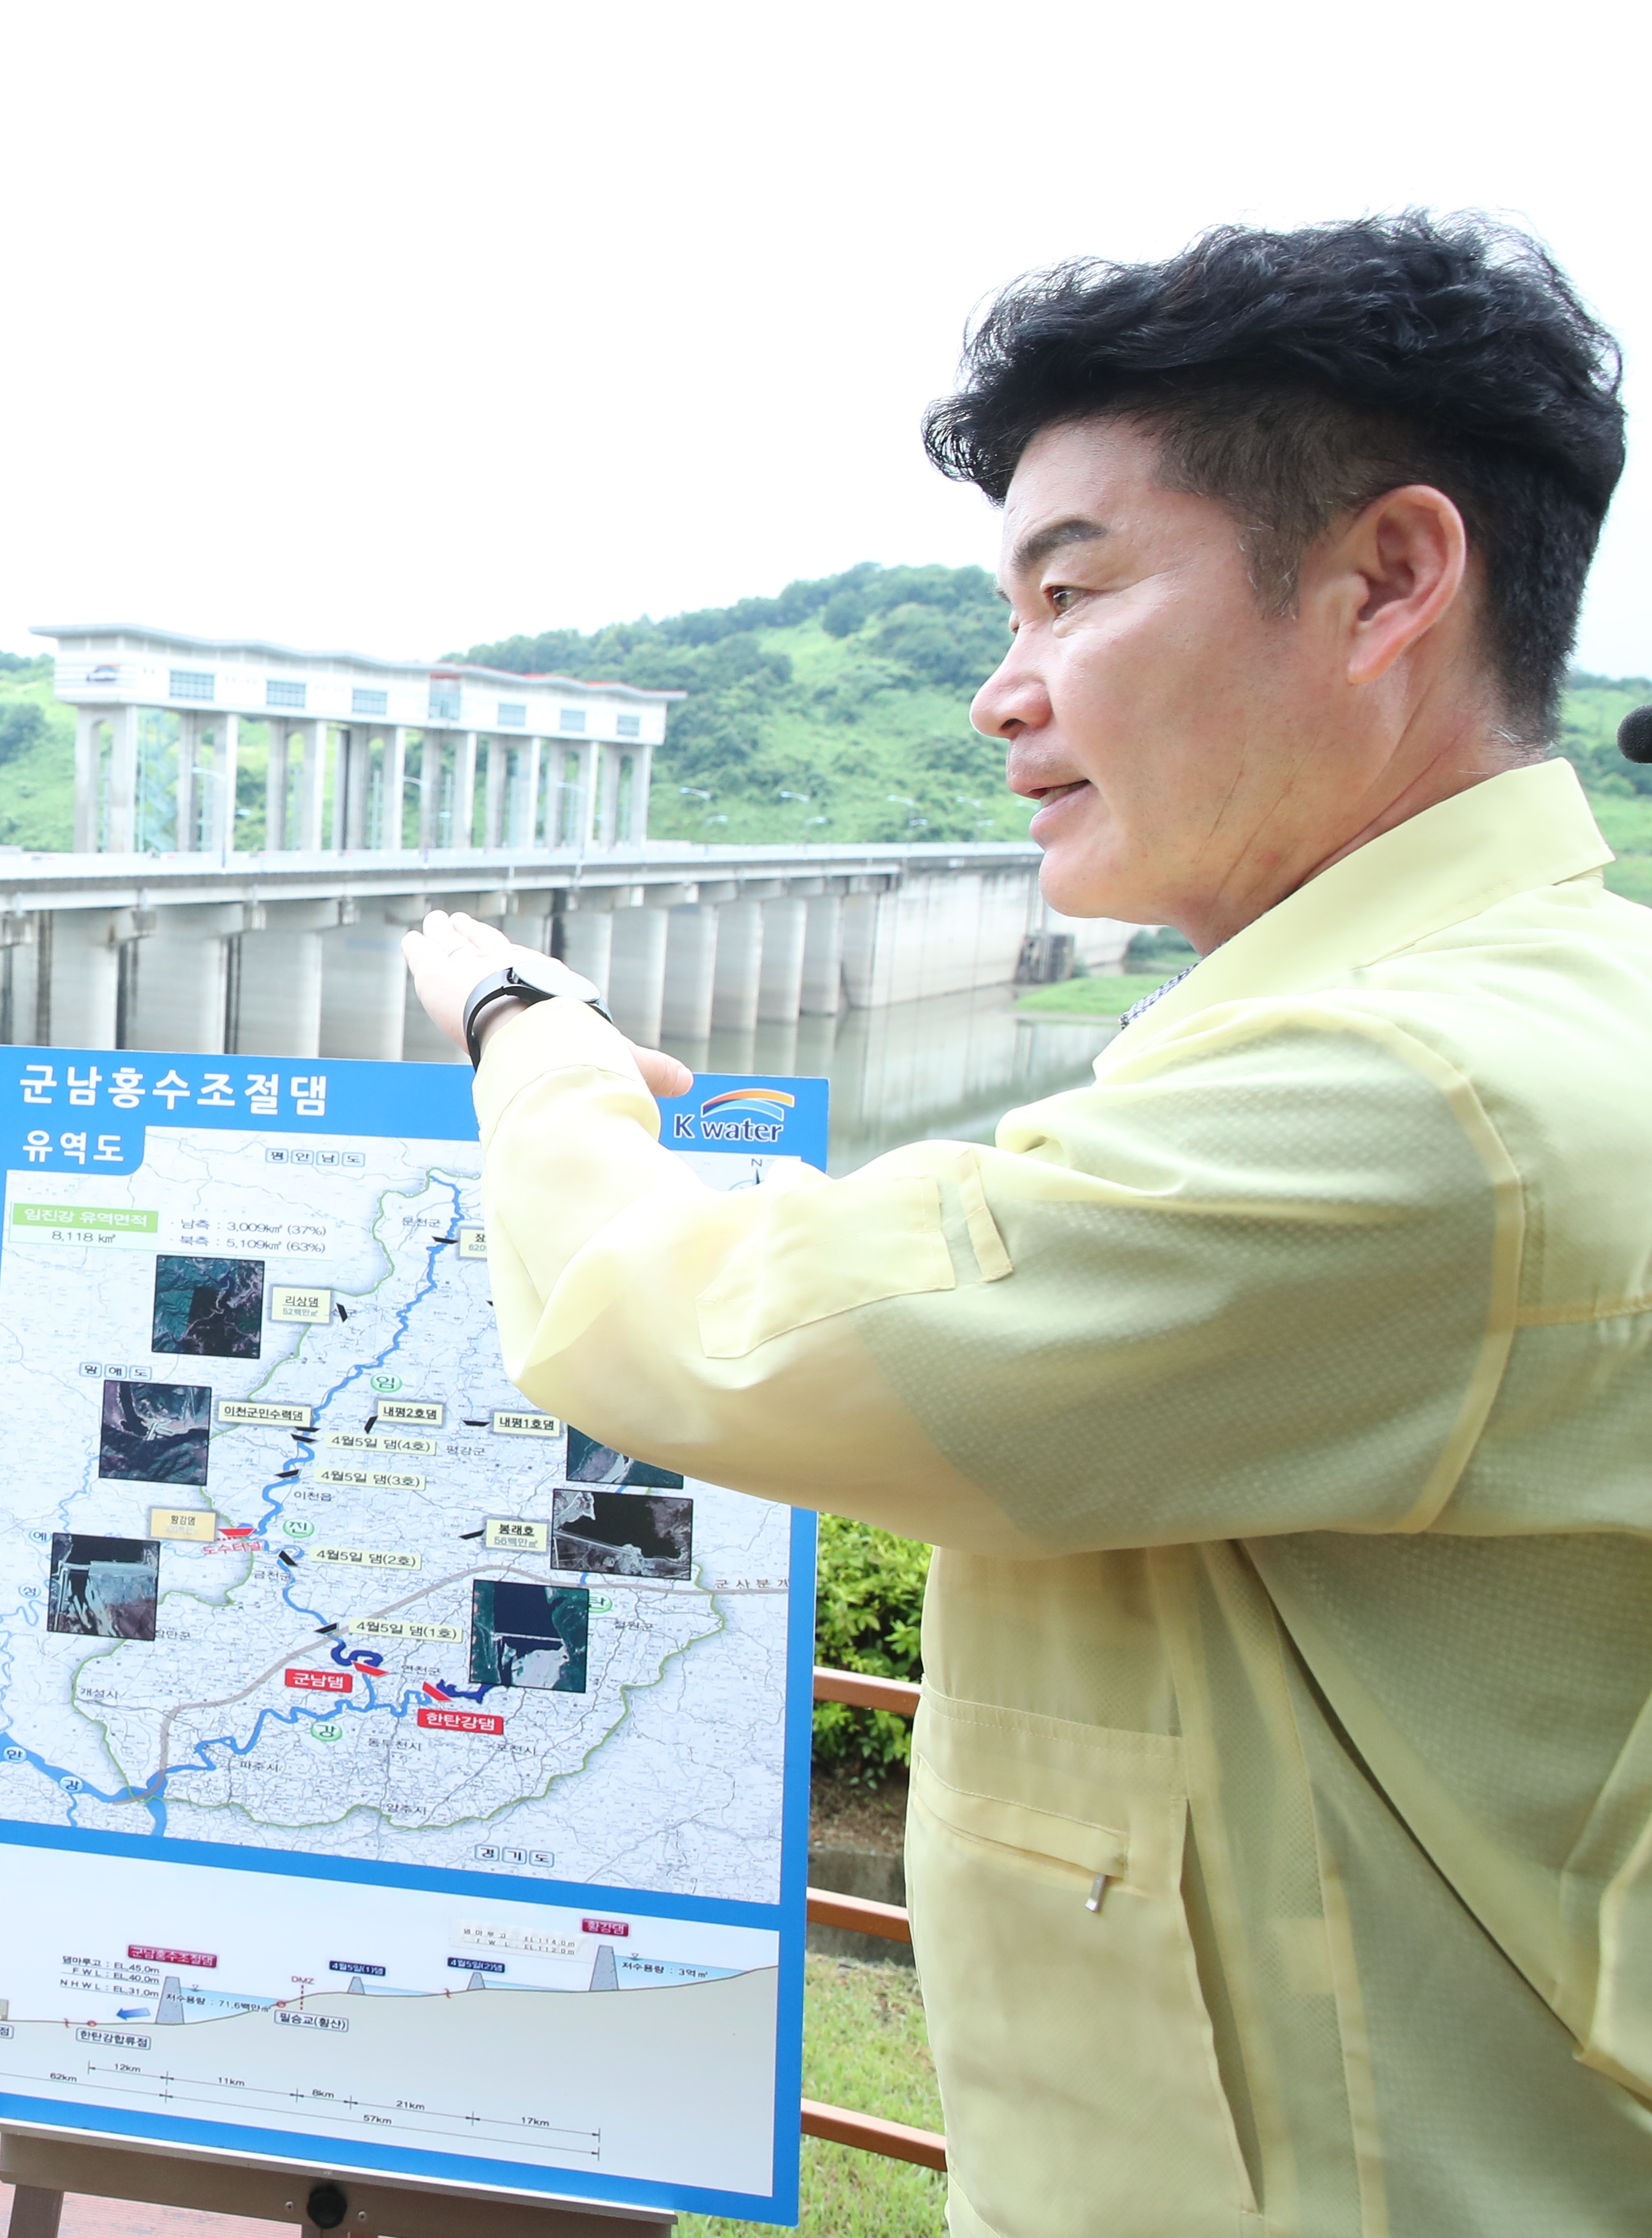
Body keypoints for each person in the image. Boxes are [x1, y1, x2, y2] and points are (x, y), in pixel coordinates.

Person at [407, 214, 1652, 2234]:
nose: (1004, 696)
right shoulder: (1489, 1011)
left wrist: (524, 1039)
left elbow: (727, 1337)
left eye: (1072, 594)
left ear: (1389, 582)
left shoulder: (1433, 1102)